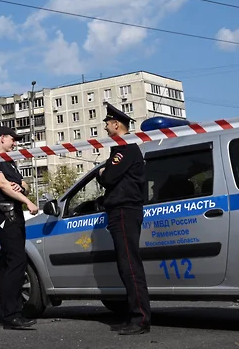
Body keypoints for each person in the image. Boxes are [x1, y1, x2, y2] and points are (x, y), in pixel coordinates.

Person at [0, 126, 39, 330]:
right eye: (13, 140)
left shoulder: (9, 161)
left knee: (8, 261)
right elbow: (3, 185)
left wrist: (22, 188)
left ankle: (6, 312)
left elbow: (23, 183)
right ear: (2, 138)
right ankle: (12, 313)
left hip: (14, 210)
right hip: (2, 211)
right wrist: (28, 202)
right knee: (17, 259)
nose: (15, 144)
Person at [97, 103, 151, 336]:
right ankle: (134, 315)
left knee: (130, 265)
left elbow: (109, 177)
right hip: (123, 210)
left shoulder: (125, 148)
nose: (106, 128)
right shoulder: (124, 148)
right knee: (126, 265)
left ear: (116, 124)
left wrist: (101, 173)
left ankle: (140, 319)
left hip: (124, 211)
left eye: (108, 124)